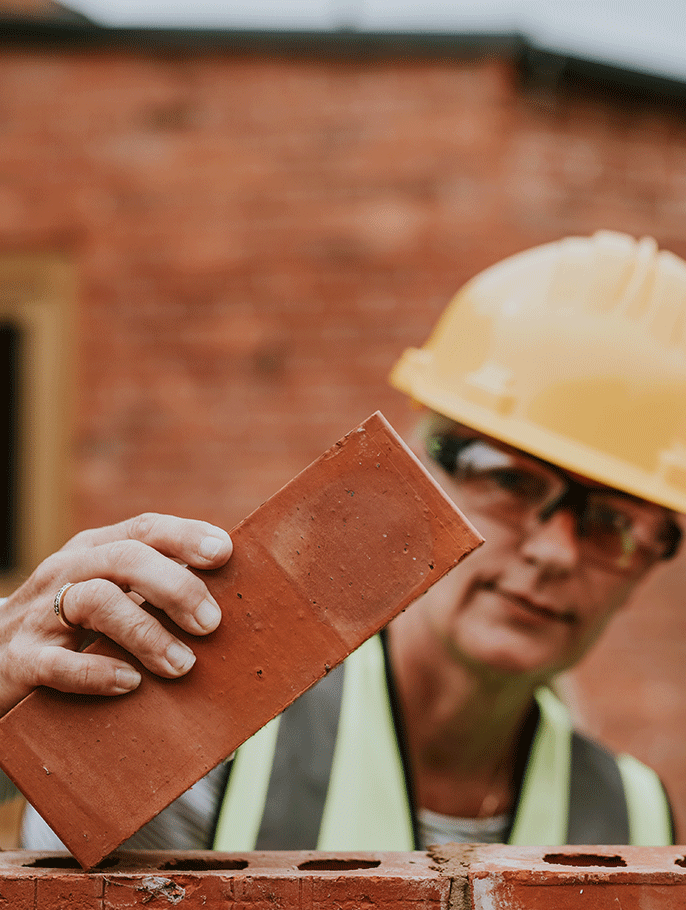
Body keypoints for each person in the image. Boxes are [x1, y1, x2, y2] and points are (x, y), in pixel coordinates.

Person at [2, 229, 685, 853]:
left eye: (616, 525)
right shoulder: (209, 734)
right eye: (511, 480)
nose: (556, 553)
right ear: (420, 470)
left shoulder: (639, 820)